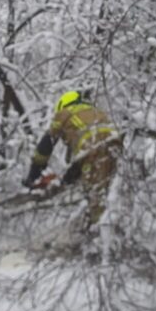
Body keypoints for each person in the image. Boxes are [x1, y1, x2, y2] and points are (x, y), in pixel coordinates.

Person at [23, 90, 123, 225]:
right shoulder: (97, 112)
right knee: (114, 195)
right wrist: (67, 178)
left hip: (93, 152)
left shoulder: (64, 113)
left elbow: (46, 144)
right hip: (117, 150)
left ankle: (100, 236)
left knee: (96, 200)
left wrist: (34, 174)